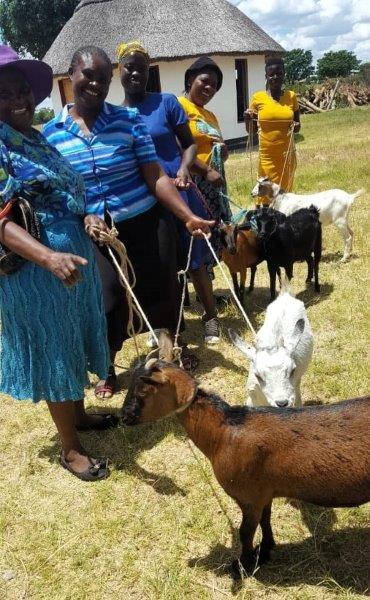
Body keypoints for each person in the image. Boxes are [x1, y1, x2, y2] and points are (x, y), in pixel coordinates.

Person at [44, 46, 214, 398]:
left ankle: (171, 355)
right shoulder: (51, 135)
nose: (96, 83)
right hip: (97, 234)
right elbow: (57, 193)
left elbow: (155, 177)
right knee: (107, 301)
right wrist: (84, 214)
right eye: (88, 75)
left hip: (147, 223)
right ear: (71, 74)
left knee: (163, 290)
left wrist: (187, 216)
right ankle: (107, 366)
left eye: (103, 78)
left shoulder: (128, 121)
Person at [0, 45, 113, 482]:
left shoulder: (37, 136)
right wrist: (48, 256)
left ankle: (80, 416)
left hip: (69, 261)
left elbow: (67, 194)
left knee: (72, 338)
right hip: (36, 271)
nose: (19, 100)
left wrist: (85, 216)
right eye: (4, 93)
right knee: (55, 350)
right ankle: (70, 448)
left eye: (22, 90)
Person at [118, 41, 220, 345]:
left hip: (180, 190)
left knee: (195, 260)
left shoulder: (166, 103)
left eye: (142, 68)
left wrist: (185, 168)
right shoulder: (115, 115)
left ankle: (211, 318)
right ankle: (164, 326)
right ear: (119, 70)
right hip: (145, 200)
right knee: (158, 265)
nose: (136, 73)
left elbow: (188, 143)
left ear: (149, 72)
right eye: (130, 67)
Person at [178, 57, 232, 268]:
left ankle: (208, 282)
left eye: (215, 86)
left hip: (213, 184)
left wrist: (224, 151)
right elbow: (177, 147)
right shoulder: (179, 105)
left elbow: (217, 150)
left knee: (212, 232)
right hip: (192, 182)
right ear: (191, 79)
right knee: (197, 235)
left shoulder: (210, 116)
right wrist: (205, 170)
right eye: (205, 81)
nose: (210, 88)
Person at [244, 56, 301, 205]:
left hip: (286, 155)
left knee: (285, 193)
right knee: (265, 191)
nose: (275, 77)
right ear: (266, 76)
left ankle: (284, 222)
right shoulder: (258, 98)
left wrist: (294, 125)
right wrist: (247, 118)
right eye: (271, 74)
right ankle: (264, 222)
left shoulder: (291, 96)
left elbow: (298, 127)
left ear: (284, 74)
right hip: (267, 155)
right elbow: (250, 131)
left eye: (279, 73)